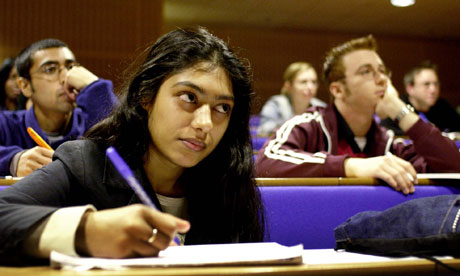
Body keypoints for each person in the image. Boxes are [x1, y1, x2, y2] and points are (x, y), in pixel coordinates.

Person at [0, 27, 264, 265]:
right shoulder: (87, 163)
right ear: (145, 97)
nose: (205, 123)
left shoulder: (229, 178)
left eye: (222, 108)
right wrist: (87, 231)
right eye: (189, 97)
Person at [255, 35, 460, 195]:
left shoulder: (386, 142)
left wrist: (400, 110)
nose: (382, 80)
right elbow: (265, 161)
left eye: (382, 71)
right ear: (337, 90)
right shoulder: (309, 125)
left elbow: (455, 165)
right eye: (367, 71)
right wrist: (352, 166)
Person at [0, 38, 118, 177]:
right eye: (50, 70)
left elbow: (127, 148)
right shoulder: (6, 124)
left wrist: (95, 88)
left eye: (71, 67)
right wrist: (13, 160)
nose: (65, 78)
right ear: (25, 86)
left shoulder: (93, 122)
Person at [380, 61, 460, 135]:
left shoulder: (443, 106)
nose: (433, 90)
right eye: (426, 84)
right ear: (410, 89)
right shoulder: (398, 106)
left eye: (436, 84)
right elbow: (385, 132)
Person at [257, 62, 326, 136]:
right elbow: (264, 130)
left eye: (314, 82)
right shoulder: (276, 103)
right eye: (303, 82)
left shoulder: (321, 107)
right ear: (288, 86)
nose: (310, 87)